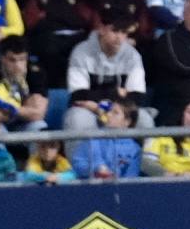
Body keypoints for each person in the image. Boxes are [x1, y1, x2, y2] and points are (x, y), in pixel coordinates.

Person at [64, 11, 150, 147]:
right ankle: (83, 167)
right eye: (115, 31)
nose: (120, 38)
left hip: (118, 110)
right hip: (88, 110)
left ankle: (140, 166)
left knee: (144, 120)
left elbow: (138, 96)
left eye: (124, 32)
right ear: (101, 29)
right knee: (77, 119)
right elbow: (78, 95)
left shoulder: (133, 56)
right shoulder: (81, 52)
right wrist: (116, 94)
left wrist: (109, 107)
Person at [22, 0, 94, 82]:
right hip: (50, 39)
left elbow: (86, 20)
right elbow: (32, 23)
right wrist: (67, 19)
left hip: (75, 37)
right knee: (49, 46)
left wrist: (54, 17)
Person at [70, 96, 142, 179]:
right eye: (109, 111)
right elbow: (78, 163)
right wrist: (96, 170)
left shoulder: (135, 149)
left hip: (117, 191)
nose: (108, 114)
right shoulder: (94, 137)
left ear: (127, 121)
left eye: (115, 113)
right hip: (90, 188)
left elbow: (131, 179)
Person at [0, 34, 48, 132]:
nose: (18, 65)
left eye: (22, 59)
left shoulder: (36, 73)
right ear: (2, 58)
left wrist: (7, 108)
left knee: (39, 125)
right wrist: (25, 110)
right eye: (12, 60)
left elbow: (38, 114)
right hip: (0, 122)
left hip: (25, 123)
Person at [142, 100, 190, 175]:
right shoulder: (161, 135)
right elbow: (146, 163)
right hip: (163, 184)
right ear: (181, 114)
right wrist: (166, 175)